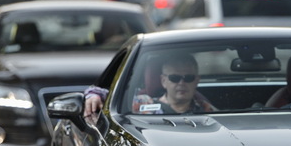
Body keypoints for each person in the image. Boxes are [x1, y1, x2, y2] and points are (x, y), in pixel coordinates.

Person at [83, 54, 215, 118]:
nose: (181, 83)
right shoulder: (141, 104)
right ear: (163, 80)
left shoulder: (206, 109)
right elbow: (111, 96)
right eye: (174, 78)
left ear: (197, 80)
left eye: (188, 78)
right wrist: (94, 97)